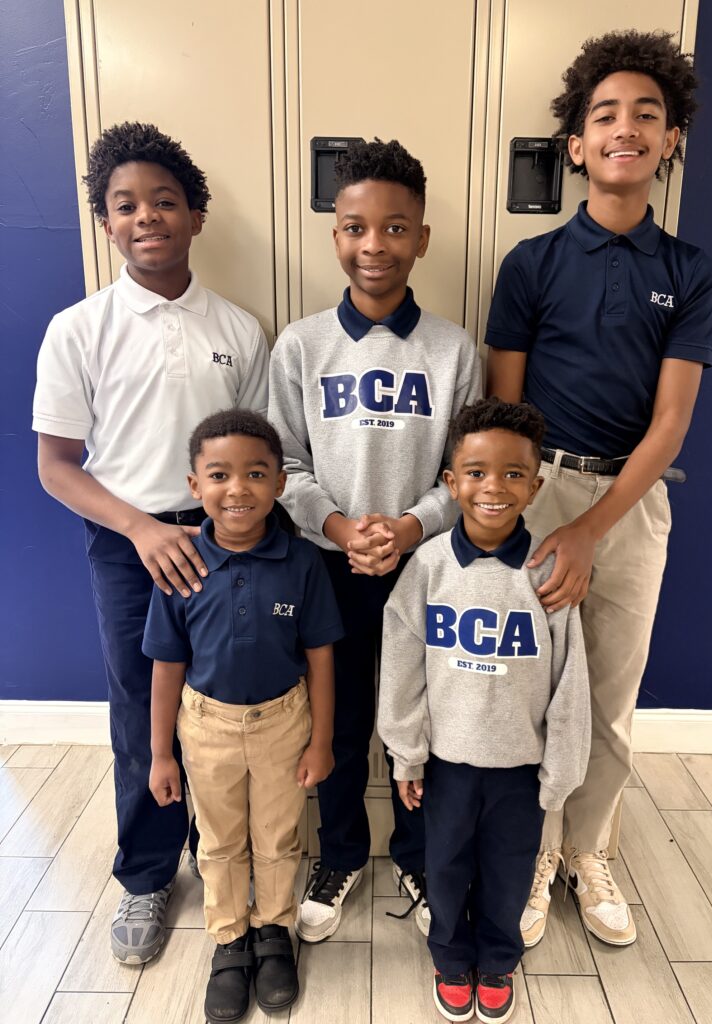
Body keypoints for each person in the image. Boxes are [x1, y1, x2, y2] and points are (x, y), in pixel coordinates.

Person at [485, 30, 712, 948]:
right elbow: (504, 416)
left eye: (647, 116)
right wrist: (538, 514)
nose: (627, 128)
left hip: (632, 505)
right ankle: (536, 852)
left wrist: (594, 530)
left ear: (669, 144)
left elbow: (670, 425)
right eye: (605, 115)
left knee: (612, 702)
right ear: (576, 145)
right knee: (535, 693)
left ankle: (589, 851)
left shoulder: (687, 273)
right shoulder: (531, 266)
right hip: (538, 494)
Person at [32, 122, 270, 964]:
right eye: (126, 206)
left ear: (196, 217)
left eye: (165, 202)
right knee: (144, 710)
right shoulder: (79, 329)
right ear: (105, 223)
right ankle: (144, 873)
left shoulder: (241, 330)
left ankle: (230, 858)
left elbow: (259, 456)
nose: (147, 218)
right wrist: (138, 528)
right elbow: (57, 466)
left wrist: (227, 530)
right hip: (127, 546)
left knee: (230, 703)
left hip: (226, 538)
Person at [268, 138, 482, 941]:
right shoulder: (300, 344)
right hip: (328, 567)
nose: (374, 246)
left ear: (422, 238)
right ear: (335, 236)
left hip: (421, 568)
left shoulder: (455, 349)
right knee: (343, 713)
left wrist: (407, 526)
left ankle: (421, 856)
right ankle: (344, 851)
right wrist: (336, 525)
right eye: (356, 227)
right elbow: (281, 463)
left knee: (423, 719)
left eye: (395, 229)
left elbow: (468, 472)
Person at [378, 398, 590, 1023]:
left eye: (512, 474)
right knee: (442, 868)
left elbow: (570, 680)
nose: (493, 488)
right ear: (451, 482)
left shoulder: (550, 571)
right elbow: (401, 664)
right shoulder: (429, 565)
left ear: (535, 484)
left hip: (520, 771)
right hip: (446, 765)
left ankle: (497, 961)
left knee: (508, 871)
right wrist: (406, 753)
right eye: (475, 472)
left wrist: (560, 771)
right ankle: (449, 957)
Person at [145, 409, 343, 1021]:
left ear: (280, 483)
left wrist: (323, 742)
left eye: (256, 473)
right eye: (220, 475)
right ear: (194, 484)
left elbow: (320, 657)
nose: (238, 489)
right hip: (206, 729)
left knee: (279, 838)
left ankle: (273, 934)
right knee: (221, 841)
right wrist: (159, 753)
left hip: (285, 723)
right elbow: (166, 666)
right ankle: (230, 941)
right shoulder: (179, 564)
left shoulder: (303, 562)